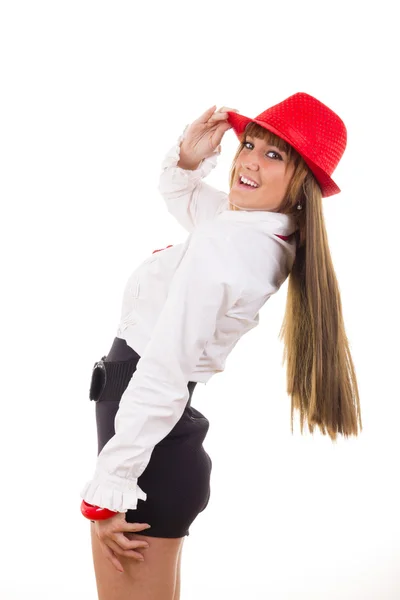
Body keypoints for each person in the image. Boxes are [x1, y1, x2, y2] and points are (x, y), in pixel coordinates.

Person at [80, 92, 362, 600]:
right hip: (155, 441)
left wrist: (110, 488)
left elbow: (164, 368)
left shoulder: (227, 246)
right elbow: (186, 196)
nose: (248, 160)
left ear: (301, 181)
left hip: (145, 450)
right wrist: (190, 157)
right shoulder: (259, 233)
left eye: (274, 154)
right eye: (249, 143)